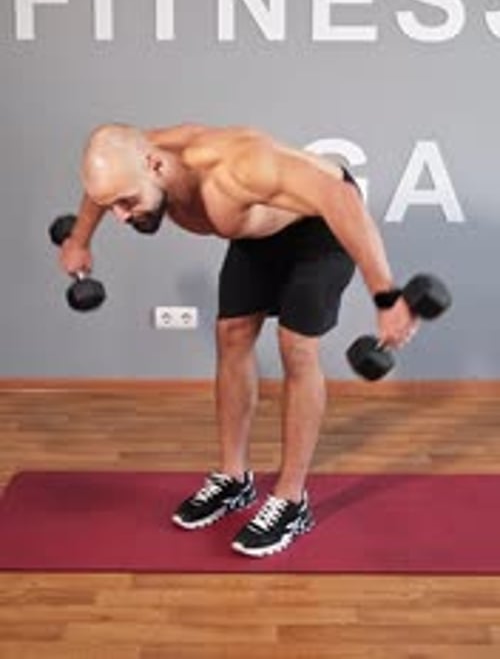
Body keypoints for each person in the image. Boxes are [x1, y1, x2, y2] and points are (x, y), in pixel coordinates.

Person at [58, 122, 418, 557]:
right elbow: (105, 188)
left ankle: (290, 500)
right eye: (112, 205)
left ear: (154, 166)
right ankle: (234, 479)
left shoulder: (239, 168)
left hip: (321, 227)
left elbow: (337, 197)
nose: (121, 215)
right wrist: (79, 240)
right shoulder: (134, 158)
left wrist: (386, 295)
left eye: (127, 202)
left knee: (296, 346)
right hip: (258, 232)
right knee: (231, 334)